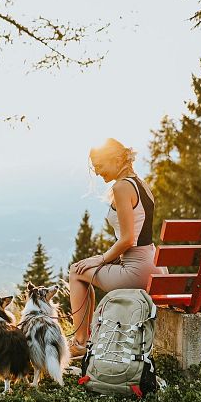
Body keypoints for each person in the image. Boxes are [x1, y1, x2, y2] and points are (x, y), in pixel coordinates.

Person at [68, 138, 164, 359]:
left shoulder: (121, 187)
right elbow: (139, 235)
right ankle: (84, 339)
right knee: (84, 269)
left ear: (116, 159)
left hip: (137, 271)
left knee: (76, 271)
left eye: (99, 165)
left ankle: (81, 343)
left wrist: (101, 259)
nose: (97, 172)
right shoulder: (141, 184)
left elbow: (128, 239)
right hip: (155, 266)